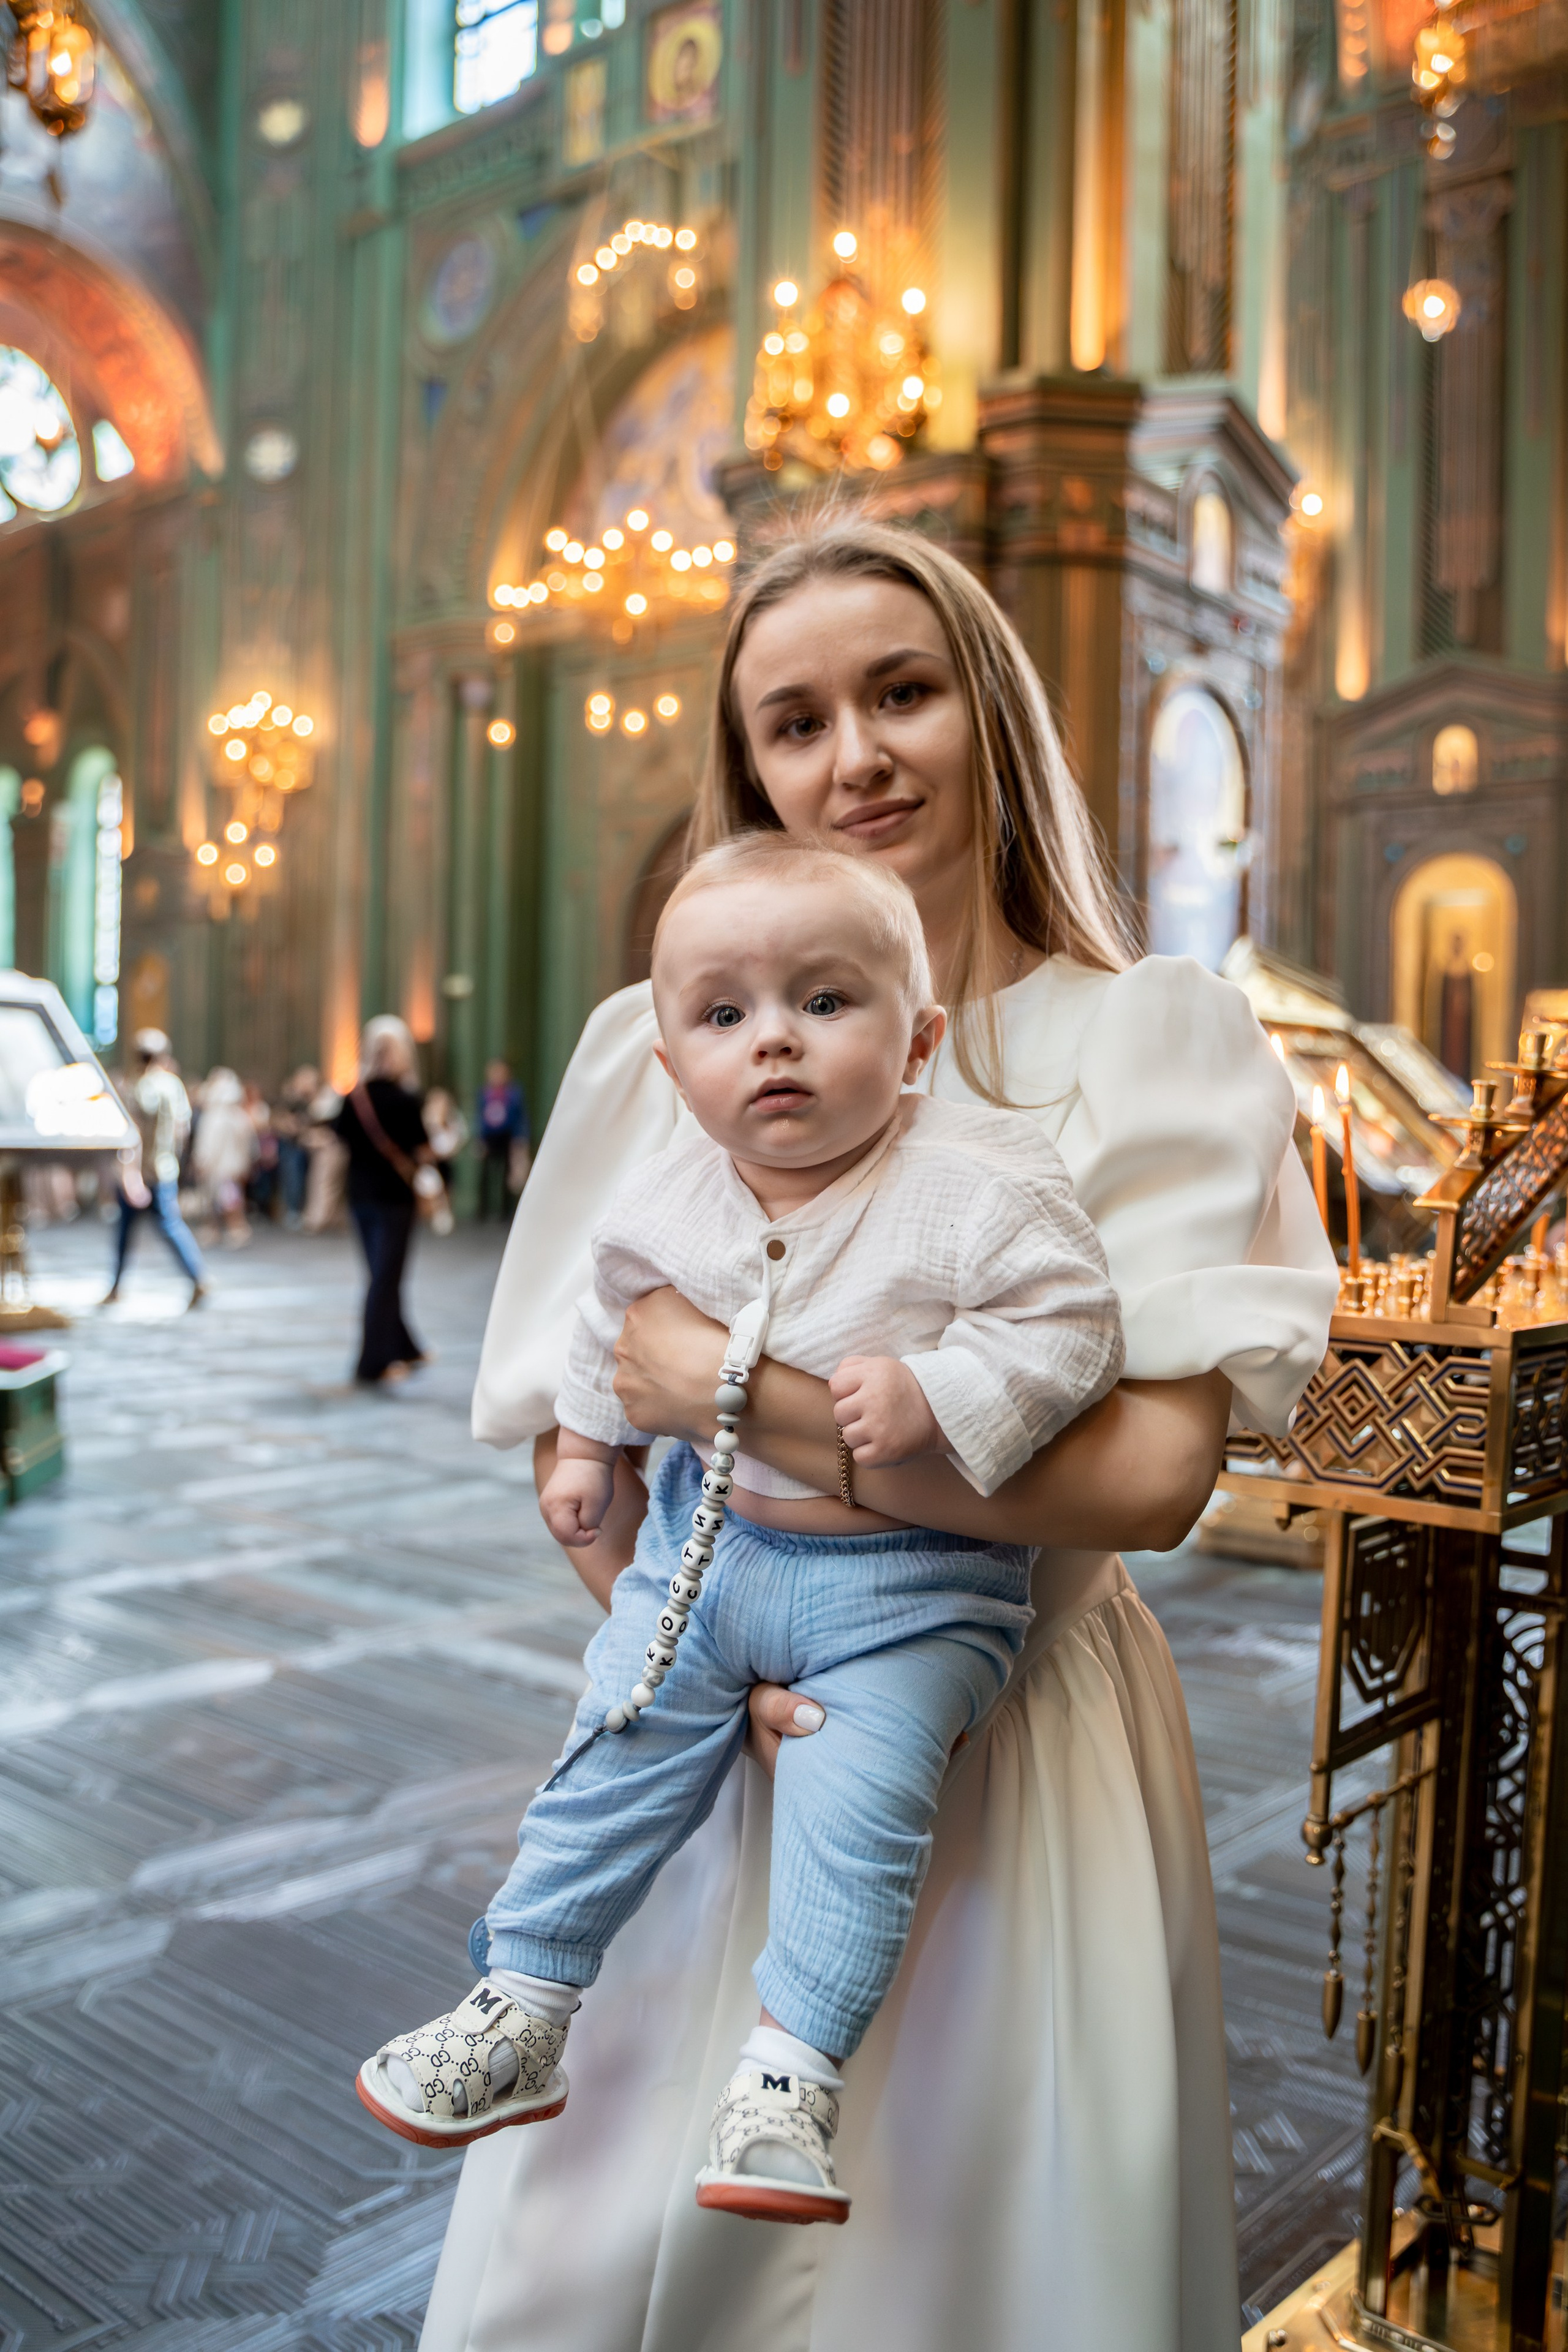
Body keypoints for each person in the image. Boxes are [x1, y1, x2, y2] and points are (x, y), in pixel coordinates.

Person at [423, 522, 1337, 2352]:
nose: (854, 755)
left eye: (901, 691)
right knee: (603, 2253)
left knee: (966, 2254)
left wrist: (721, 1389)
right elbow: (564, 1441)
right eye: (794, 719)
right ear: (745, 762)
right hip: (718, 1723)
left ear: (986, 714)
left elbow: (1149, 1481)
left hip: (1015, 1742)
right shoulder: (660, 1039)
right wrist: (702, 1636)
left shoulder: (1148, 1036)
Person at [360, 839, 1123, 2225]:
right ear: (671, 1064)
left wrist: (941, 1388)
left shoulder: (981, 1175)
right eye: (723, 1016)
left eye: (824, 1002)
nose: (770, 1038)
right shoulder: (665, 1193)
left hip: (915, 1589)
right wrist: (587, 1441)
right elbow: (607, 1316)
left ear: (917, 1037)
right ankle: (520, 2000)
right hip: (704, 1561)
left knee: (860, 1801)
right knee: (612, 1738)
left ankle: (789, 2074)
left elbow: (1071, 1325)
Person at [331, 1016, 431, 1385]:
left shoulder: (353, 1099)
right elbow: (422, 1149)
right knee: (385, 1278)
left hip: (361, 1198)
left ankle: (406, 1347)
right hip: (395, 1200)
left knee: (380, 1275)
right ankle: (371, 1363)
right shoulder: (407, 1099)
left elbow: (339, 1139)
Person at [104, 1029, 207, 1309]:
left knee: (129, 1230)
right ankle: (197, 1278)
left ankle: (116, 1287)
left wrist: (129, 1172)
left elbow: (129, 1134)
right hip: (164, 1168)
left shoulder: (136, 1085)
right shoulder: (173, 1085)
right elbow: (182, 1129)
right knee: (170, 1226)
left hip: (139, 1172)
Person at [192, 1066, 256, 1247]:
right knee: (222, 1199)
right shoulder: (240, 1116)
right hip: (231, 1165)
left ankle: (236, 1228)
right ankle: (216, 1229)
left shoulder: (215, 1118)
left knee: (227, 1199)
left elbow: (209, 1145)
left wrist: (202, 1161)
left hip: (220, 1167)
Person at [476, 1058, 528, 1219]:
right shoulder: (485, 1093)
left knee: (507, 1173)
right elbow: (480, 1117)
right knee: (485, 1174)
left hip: (507, 1137)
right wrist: (480, 1139)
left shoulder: (513, 1094)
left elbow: (520, 1117)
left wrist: (520, 1139)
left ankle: (506, 1211)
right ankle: (483, 1210)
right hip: (490, 1137)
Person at [273, 1063, 322, 1227]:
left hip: (308, 1146)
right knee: (293, 1177)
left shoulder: (314, 1101)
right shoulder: (290, 1100)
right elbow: (279, 1120)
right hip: (291, 1146)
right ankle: (293, 1211)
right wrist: (292, 1126)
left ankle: (304, 1211)